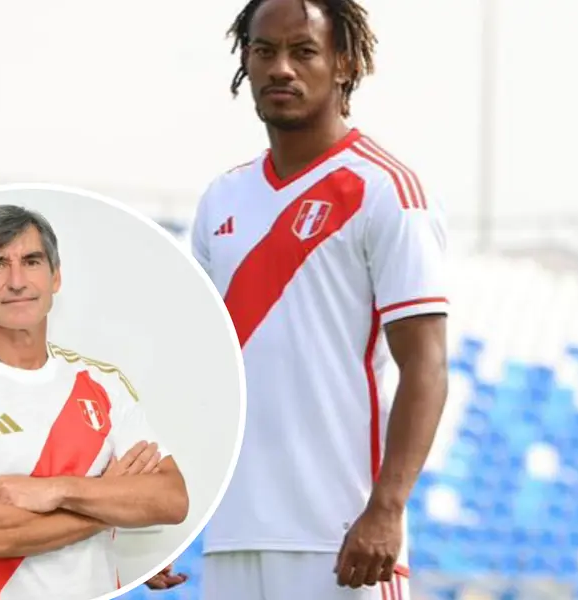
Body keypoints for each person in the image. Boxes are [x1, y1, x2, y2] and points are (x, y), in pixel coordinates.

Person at [186, 0, 451, 598]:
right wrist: (158, 525)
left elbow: (427, 366)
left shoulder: (385, 191)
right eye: (264, 51)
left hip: (343, 539)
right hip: (233, 536)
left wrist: (386, 509)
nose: (281, 67)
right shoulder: (222, 198)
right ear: (245, 63)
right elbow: (199, 370)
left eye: (303, 51)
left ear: (344, 63)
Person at [0, 204, 190, 600]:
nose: (17, 280)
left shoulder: (104, 383)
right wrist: (106, 500)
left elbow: (171, 499)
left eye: (31, 260)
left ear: (55, 276)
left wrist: (58, 490)